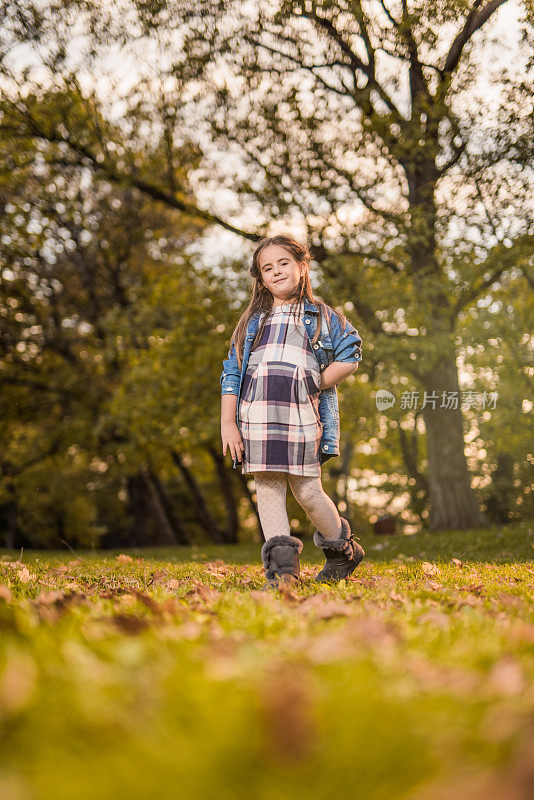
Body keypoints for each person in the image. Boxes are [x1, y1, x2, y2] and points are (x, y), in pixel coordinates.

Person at [220, 233, 365, 589]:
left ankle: (342, 551)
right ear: (261, 278)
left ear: (302, 266)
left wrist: (315, 382)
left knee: (308, 492)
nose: (276, 271)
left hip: (302, 416)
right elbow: (232, 372)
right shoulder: (251, 323)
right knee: (268, 488)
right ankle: (283, 572)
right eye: (267, 268)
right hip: (256, 417)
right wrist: (228, 422)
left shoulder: (321, 317)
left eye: (284, 263)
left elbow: (351, 354)